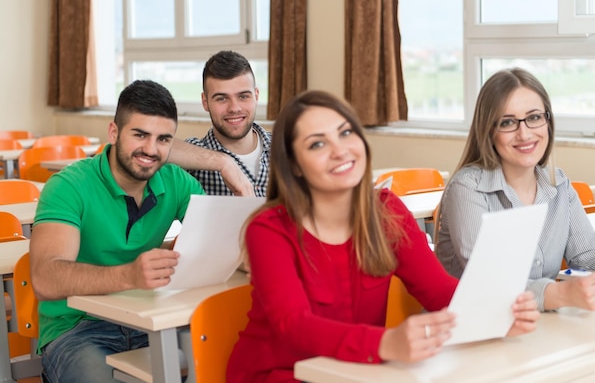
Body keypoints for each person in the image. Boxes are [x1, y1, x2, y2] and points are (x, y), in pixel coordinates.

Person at [226, 90, 539, 382]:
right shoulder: (268, 229)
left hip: (356, 372)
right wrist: (386, 343)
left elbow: (439, 291)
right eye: (317, 144)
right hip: (277, 374)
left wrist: (495, 316)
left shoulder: (386, 211)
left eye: (346, 132)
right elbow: (293, 326)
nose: (340, 150)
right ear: (293, 166)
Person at [30, 80, 205, 383]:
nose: (151, 150)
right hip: (77, 329)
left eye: (163, 139)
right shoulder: (69, 186)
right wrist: (129, 275)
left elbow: (216, 241)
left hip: (151, 321)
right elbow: (45, 278)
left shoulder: (178, 183)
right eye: (140, 135)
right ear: (114, 132)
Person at [435, 67, 595, 312]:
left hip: (532, 326)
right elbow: (492, 281)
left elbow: (589, 255)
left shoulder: (559, 184)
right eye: (508, 122)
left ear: (548, 122)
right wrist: (559, 294)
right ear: (488, 131)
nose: (524, 133)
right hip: (466, 332)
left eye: (534, 117)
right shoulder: (467, 189)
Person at [168, 50, 271, 197]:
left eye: (243, 96)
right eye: (222, 98)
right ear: (205, 102)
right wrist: (222, 162)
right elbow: (149, 147)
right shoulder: (193, 156)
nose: (234, 108)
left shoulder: (285, 149)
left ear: (256, 96)